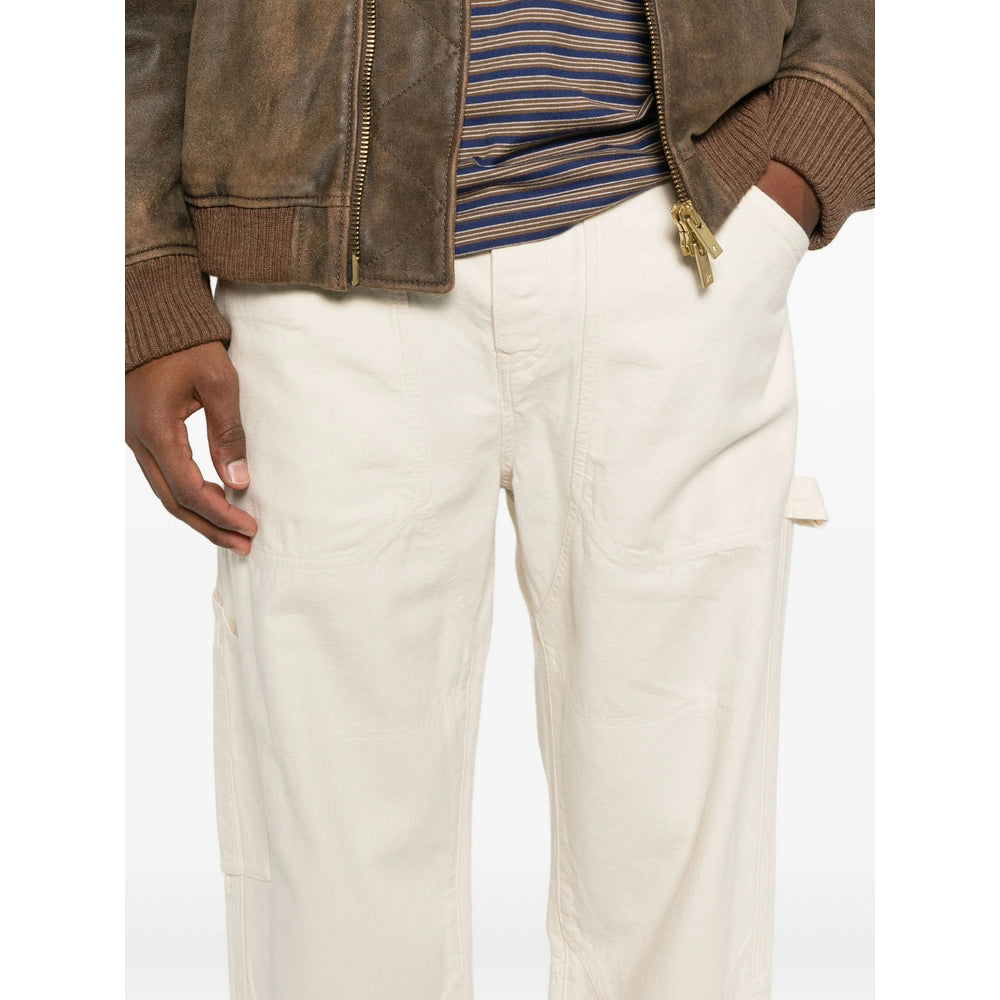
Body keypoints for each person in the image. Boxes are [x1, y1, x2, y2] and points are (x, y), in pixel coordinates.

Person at [125, 0, 873, 996]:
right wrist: (144, 267)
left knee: (677, 863)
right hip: (318, 251)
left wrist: (811, 143)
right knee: (334, 885)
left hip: (677, 228)